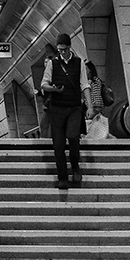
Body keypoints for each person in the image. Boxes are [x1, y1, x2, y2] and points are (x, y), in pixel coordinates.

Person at [38, 32, 98, 189]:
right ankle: (63, 177)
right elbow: (43, 84)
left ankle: (75, 166)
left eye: (64, 49)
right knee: (58, 144)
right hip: (57, 108)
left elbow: (85, 85)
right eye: (59, 49)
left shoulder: (79, 63)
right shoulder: (52, 63)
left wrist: (90, 107)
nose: (61, 52)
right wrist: (53, 89)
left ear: (70, 47)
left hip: (73, 107)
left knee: (72, 136)